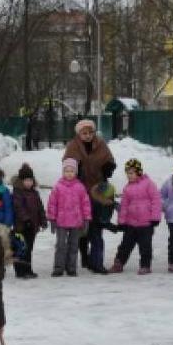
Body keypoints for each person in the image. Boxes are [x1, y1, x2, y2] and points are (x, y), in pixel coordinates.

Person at [62, 119, 115, 270]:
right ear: (79, 134)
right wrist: (74, 170)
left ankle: (95, 258)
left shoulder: (101, 144)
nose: (87, 136)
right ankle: (84, 255)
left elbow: (109, 158)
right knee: (83, 225)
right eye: (84, 133)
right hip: (79, 188)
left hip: (98, 188)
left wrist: (108, 167)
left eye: (90, 132)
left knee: (96, 224)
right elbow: (67, 162)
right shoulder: (73, 145)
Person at [112, 158, 161, 275]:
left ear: (139, 172)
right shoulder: (127, 188)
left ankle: (145, 265)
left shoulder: (148, 184)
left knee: (145, 246)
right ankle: (119, 263)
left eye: (132, 173)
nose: (129, 175)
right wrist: (122, 221)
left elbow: (156, 200)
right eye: (128, 173)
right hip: (131, 223)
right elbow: (123, 206)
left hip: (146, 223)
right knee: (125, 245)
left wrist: (155, 217)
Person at [46, 157, 92, 278]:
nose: (69, 173)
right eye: (66, 171)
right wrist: (52, 219)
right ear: (63, 172)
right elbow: (52, 203)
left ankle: (71, 268)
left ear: (75, 172)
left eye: (72, 171)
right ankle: (58, 267)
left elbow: (85, 204)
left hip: (76, 222)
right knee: (61, 245)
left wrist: (86, 218)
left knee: (73, 245)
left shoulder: (80, 187)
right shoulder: (58, 187)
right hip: (61, 222)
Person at [10, 163, 47, 279]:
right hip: (21, 227)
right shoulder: (17, 193)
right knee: (21, 248)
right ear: (21, 181)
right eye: (26, 180)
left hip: (32, 227)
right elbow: (18, 208)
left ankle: (28, 269)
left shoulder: (35, 193)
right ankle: (20, 271)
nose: (28, 183)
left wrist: (43, 220)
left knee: (29, 249)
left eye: (30, 180)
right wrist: (26, 220)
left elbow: (40, 208)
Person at [87, 166, 118, 274]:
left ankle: (92, 262)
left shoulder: (103, 197)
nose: (111, 200)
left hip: (95, 222)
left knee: (96, 241)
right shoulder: (99, 203)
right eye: (110, 198)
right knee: (98, 243)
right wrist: (113, 227)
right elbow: (101, 220)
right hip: (93, 223)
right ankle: (97, 265)